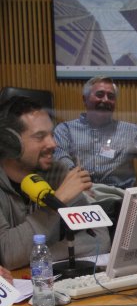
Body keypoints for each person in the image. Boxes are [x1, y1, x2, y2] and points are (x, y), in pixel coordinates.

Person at [0, 97, 110, 270]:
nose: (53, 143)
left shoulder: (57, 172)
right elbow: (9, 254)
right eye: (40, 136)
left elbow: (98, 239)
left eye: (51, 134)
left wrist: (41, 257)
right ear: (10, 142)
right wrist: (56, 201)